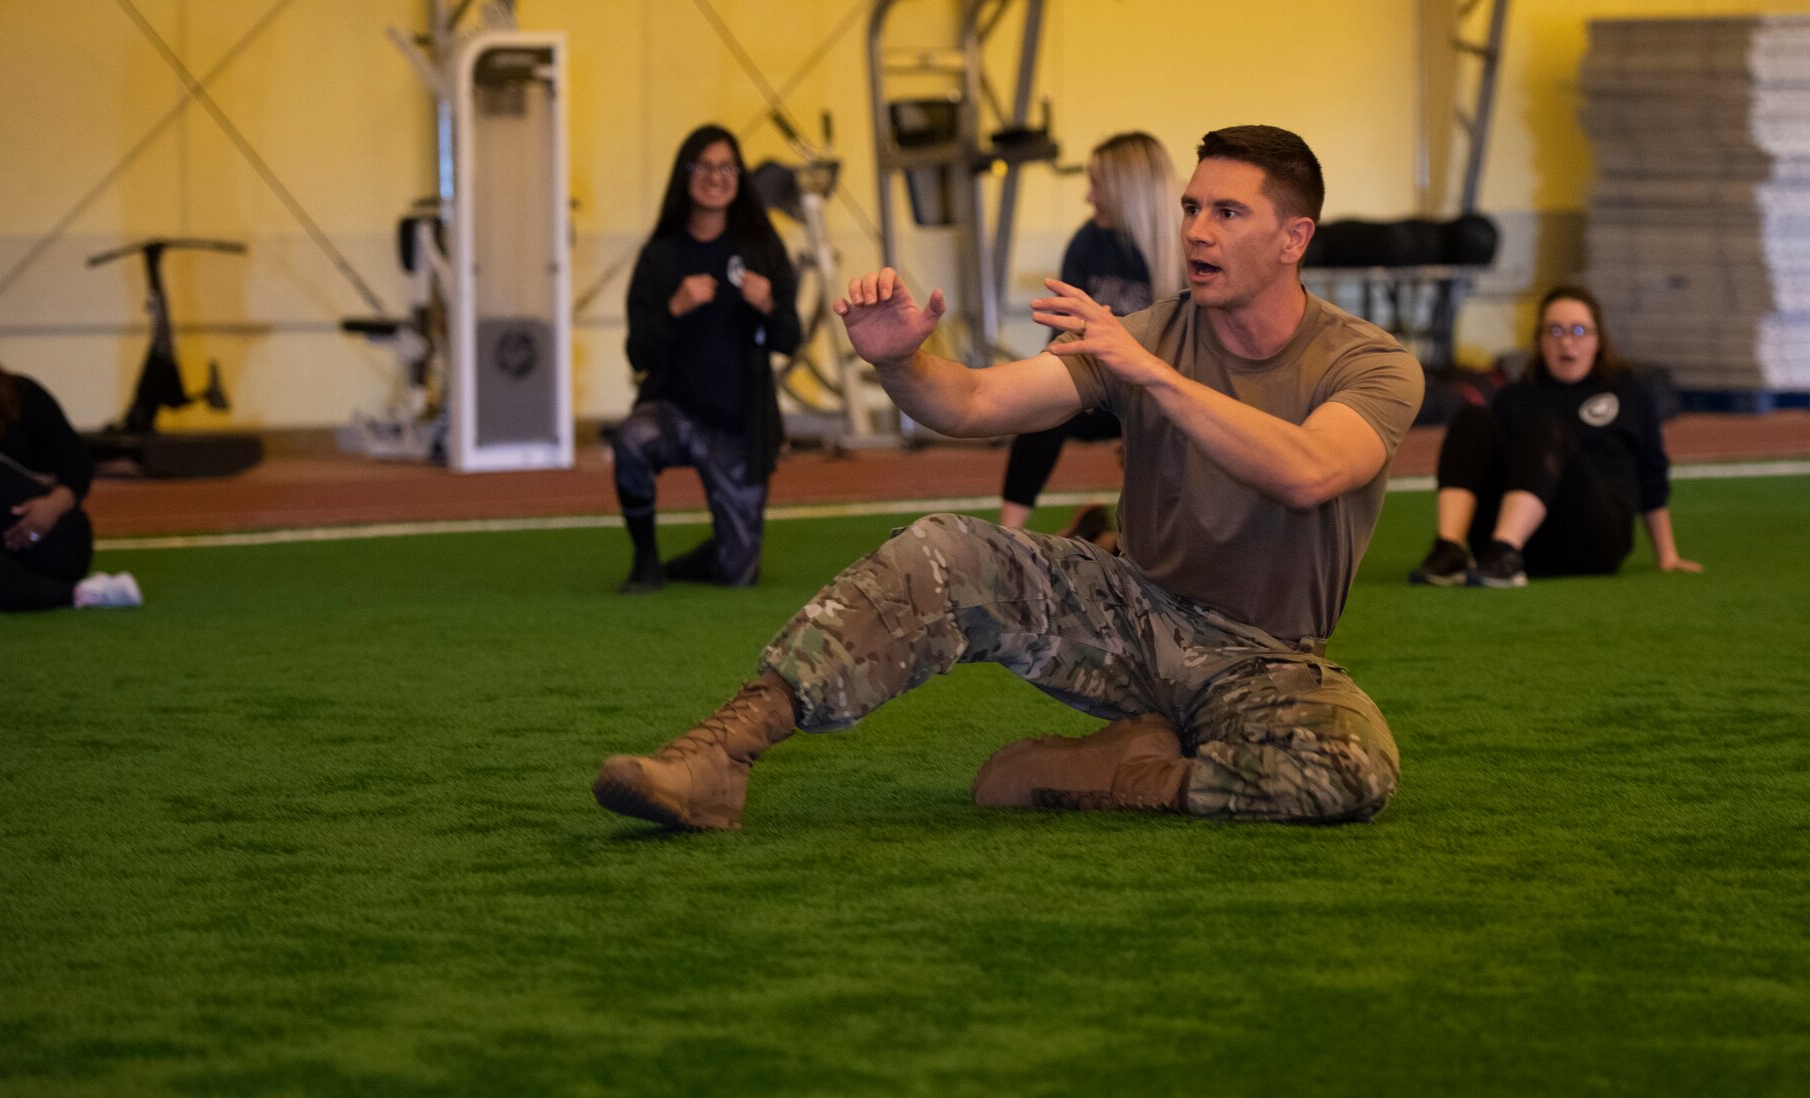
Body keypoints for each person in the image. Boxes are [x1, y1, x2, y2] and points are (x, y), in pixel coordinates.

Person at [591, 124, 1423, 832]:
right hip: (1137, 616)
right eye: (1192, 209)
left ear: (1294, 238)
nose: (1198, 232)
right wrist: (901, 362)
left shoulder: (1369, 363)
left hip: (1266, 658)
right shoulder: (1148, 332)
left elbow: (1311, 471)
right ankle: (718, 757)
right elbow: (979, 401)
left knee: (1351, 770)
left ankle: (1125, 772)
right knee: (947, 550)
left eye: (1228, 213)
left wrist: (1152, 374)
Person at [608, 124, 802, 594]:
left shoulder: (761, 250)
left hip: (739, 424)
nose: (715, 177)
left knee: (738, 575)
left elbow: (790, 340)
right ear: (685, 175)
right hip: (674, 412)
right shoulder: (659, 256)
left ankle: (704, 555)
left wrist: (768, 305)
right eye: (704, 166)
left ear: (739, 178)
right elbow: (638, 353)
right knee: (633, 440)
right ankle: (646, 561)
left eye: (726, 167)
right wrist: (674, 308)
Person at [1408, 285, 1699, 588]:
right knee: (1473, 418)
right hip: (1525, 540)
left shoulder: (1630, 393)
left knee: (1547, 428)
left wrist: (1667, 555)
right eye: (1555, 331)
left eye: (1578, 331)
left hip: (1594, 539)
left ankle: (1505, 551)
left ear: (1598, 340)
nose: (1567, 343)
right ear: (1540, 341)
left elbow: (1652, 476)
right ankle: (1450, 550)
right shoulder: (1515, 397)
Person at [997, 132, 1186, 534]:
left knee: (1167, 427)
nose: (1089, 197)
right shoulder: (1087, 243)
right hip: (1098, 390)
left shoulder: (1184, 251)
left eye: (1096, 184)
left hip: (1161, 392)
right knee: (1038, 408)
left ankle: (1131, 536)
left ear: (1126, 190)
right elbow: (1061, 342)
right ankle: (1009, 538)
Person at [0, 283, 140, 613]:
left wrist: (54, 504)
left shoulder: (21, 392)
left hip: (50, 536)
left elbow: (77, 459)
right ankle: (85, 594)